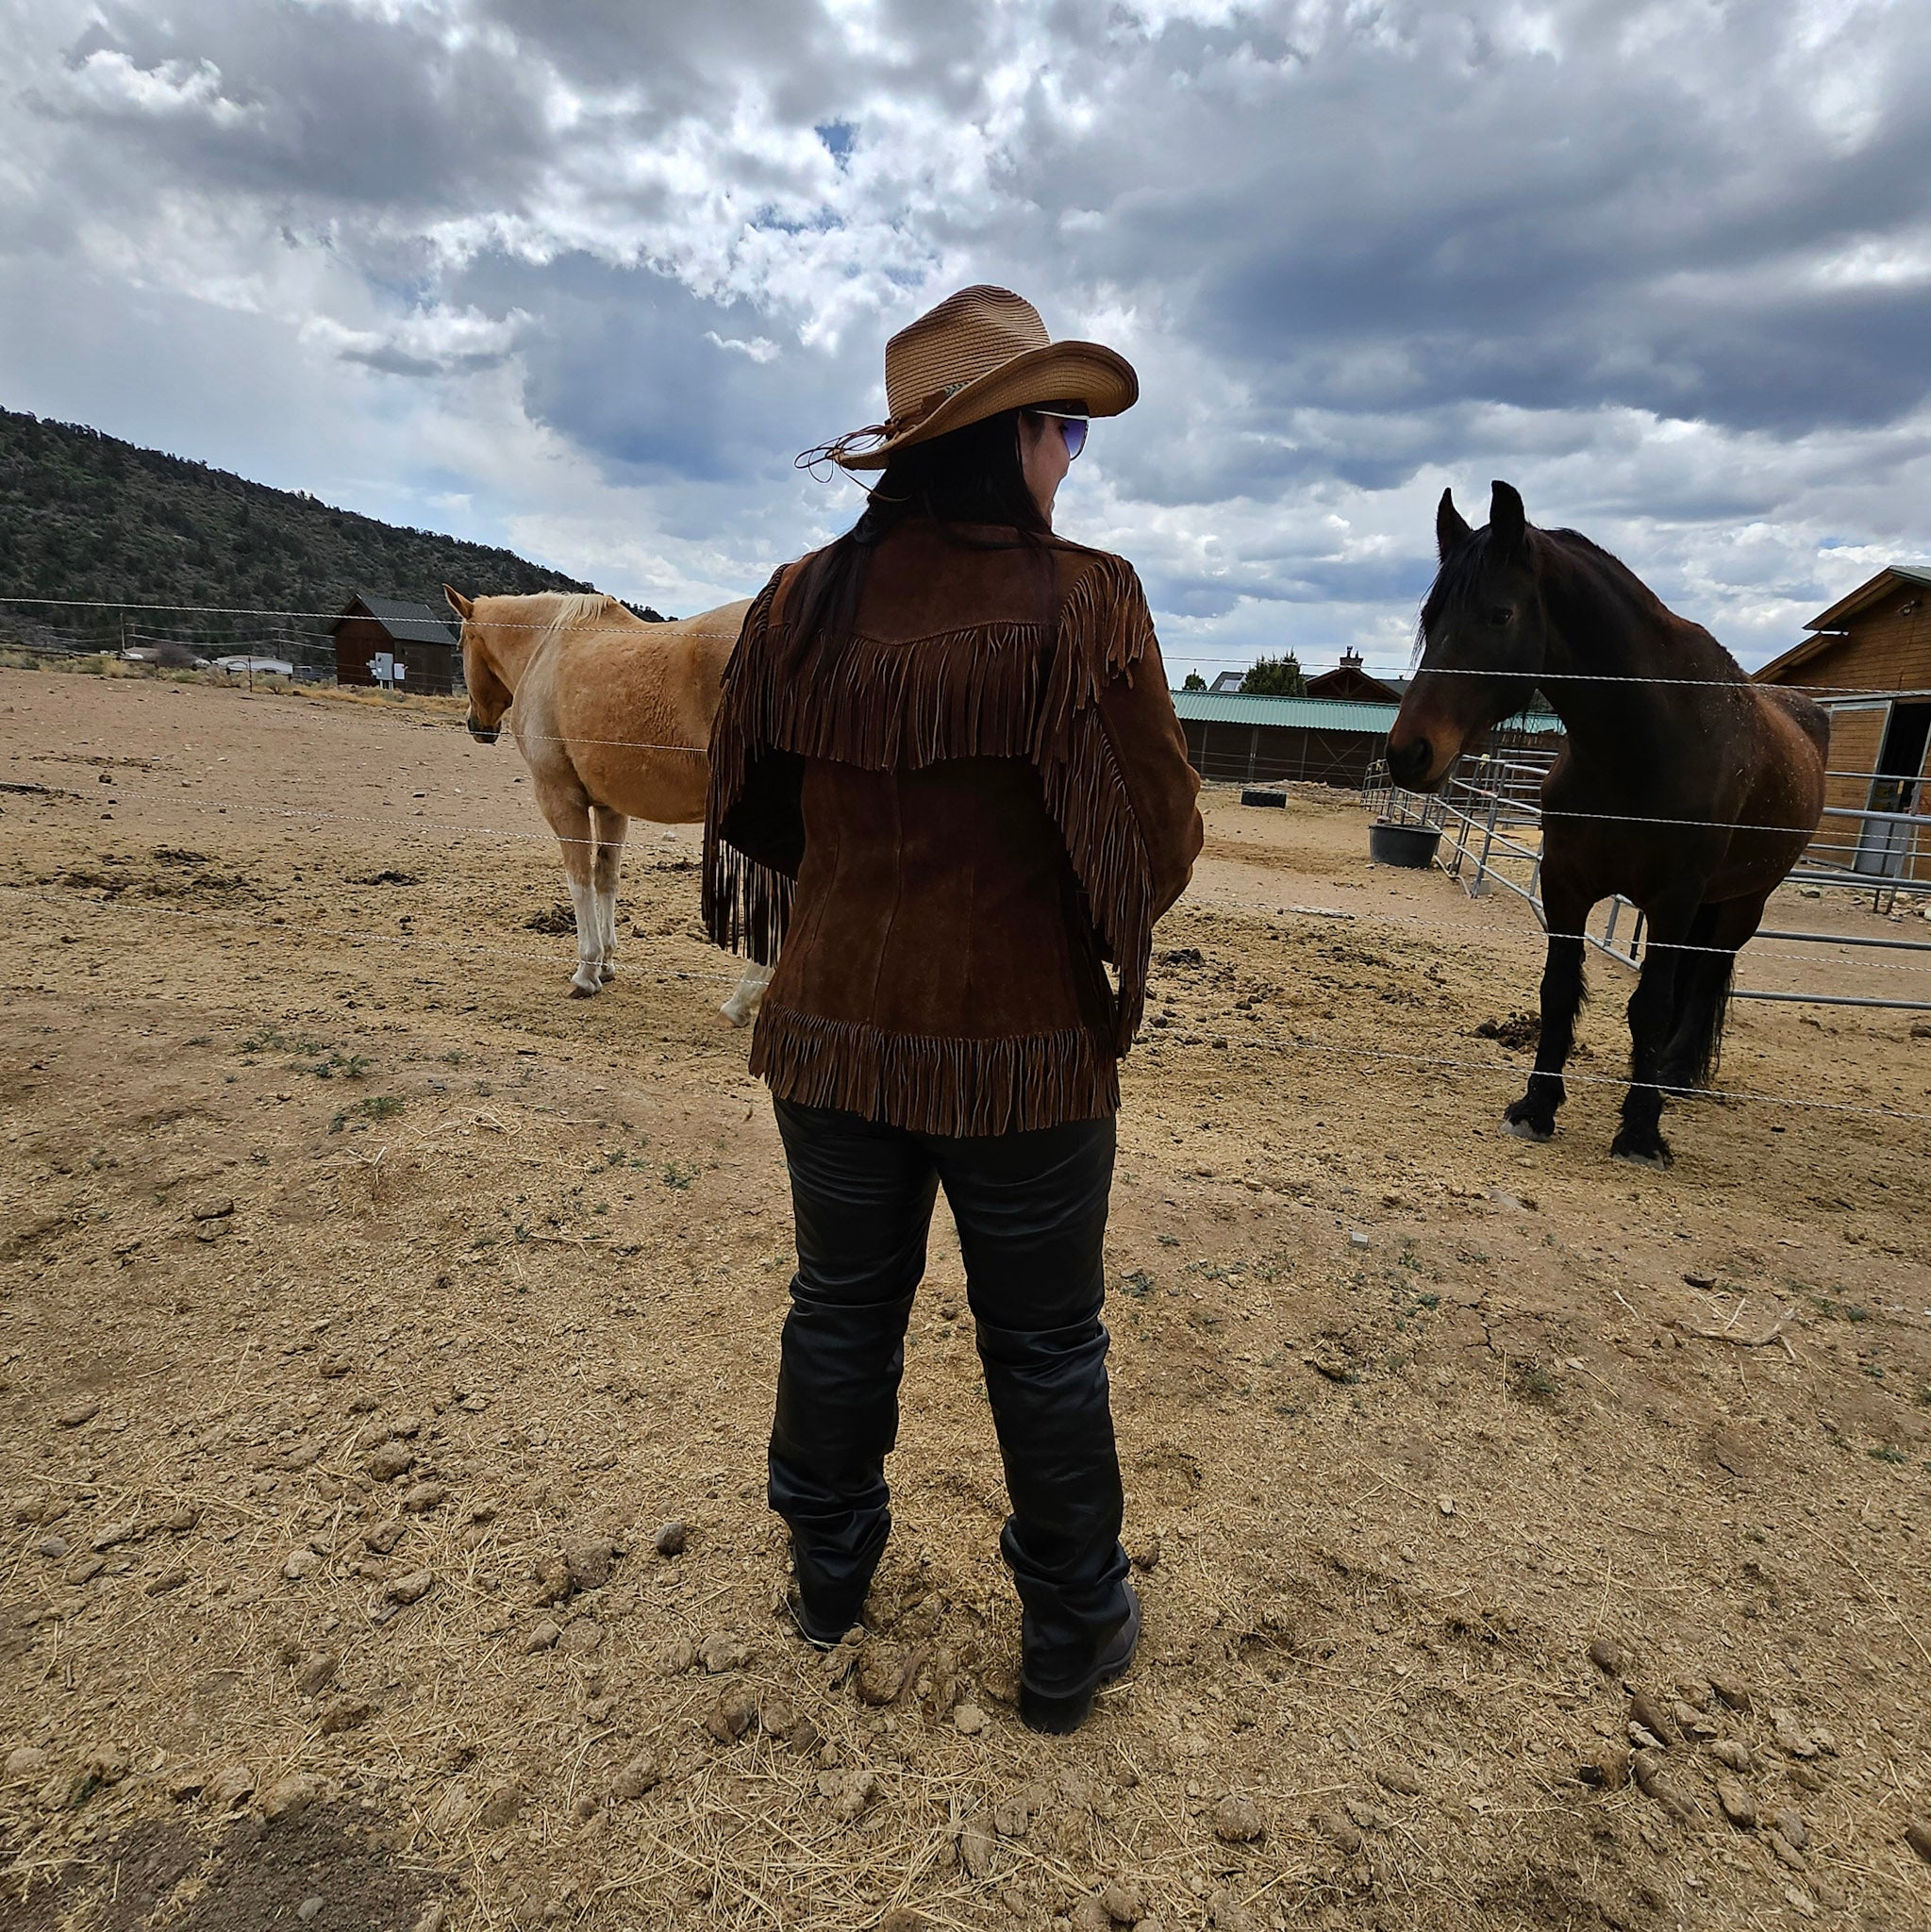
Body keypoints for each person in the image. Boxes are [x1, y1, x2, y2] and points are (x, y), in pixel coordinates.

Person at [703, 284, 1202, 1734]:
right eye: (1063, 430)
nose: (1072, 461)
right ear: (1005, 440)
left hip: (830, 1033)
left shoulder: (800, 601)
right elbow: (1157, 838)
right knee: (1045, 1344)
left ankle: (827, 1576)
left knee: (840, 1306)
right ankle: (1070, 1633)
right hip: (1026, 1061)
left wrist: (870, 892)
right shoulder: (1087, 601)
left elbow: (748, 804)